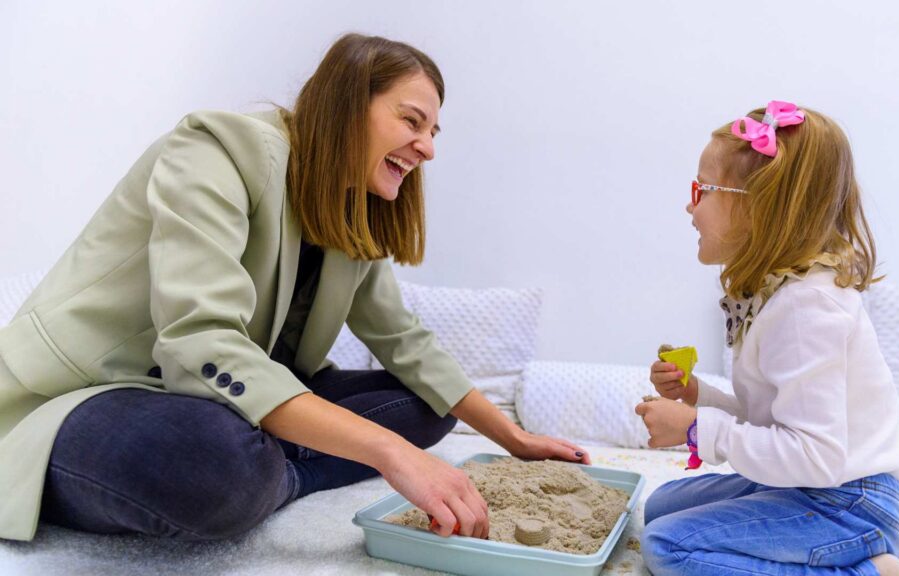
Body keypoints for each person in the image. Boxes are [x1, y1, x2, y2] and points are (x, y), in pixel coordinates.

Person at [0, 33, 589, 543]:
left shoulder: (350, 208)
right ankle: (268, 471)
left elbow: (403, 339)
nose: (428, 147)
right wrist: (391, 453)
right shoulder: (215, 150)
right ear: (347, 104)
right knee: (212, 462)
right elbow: (200, 341)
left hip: (220, 397)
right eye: (412, 121)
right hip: (90, 396)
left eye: (433, 131)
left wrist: (513, 436)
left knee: (428, 404)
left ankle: (272, 473)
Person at [635, 101, 899, 576]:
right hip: (817, 488)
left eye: (701, 190)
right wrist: (698, 397)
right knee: (661, 506)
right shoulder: (778, 295)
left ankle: (868, 569)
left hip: (852, 502)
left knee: (669, 547)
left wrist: (696, 428)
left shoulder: (807, 308)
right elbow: (775, 422)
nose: (690, 205)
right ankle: (856, 549)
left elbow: (815, 456)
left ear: (758, 207)